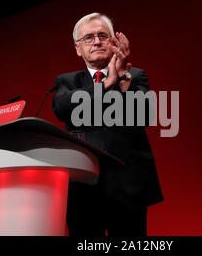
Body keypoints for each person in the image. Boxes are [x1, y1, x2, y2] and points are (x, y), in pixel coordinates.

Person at [52, 12, 163, 237]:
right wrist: (104, 85)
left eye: (103, 35)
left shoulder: (135, 76)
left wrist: (121, 78)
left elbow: (144, 116)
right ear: (77, 48)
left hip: (127, 188)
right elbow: (61, 108)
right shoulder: (68, 82)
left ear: (114, 43)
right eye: (89, 38)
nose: (97, 41)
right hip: (83, 189)